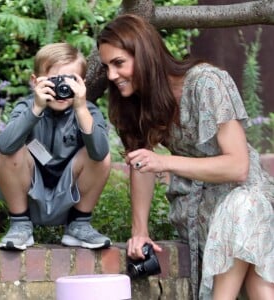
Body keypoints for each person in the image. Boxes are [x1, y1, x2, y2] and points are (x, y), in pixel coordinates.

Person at [97, 14, 274, 300]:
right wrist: (139, 231)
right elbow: (141, 163)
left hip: (247, 197)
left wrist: (166, 162)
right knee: (258, 266)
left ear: (145, 56)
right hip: (198, 210)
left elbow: (239, 167)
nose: (111, 76)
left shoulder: (207, 83)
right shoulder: (135, 104)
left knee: (247, 208)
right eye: (107, 67)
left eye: (118, 63)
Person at [0, 42, 111, 251]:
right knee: (12, 150)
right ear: (35, 81)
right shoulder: (27, 106)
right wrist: (37, 108)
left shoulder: (88, 111)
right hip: (27, 196)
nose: (61, 88)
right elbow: (4, 146)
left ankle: (79, 224)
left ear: (82, 84)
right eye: (54, 80)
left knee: (100, 156)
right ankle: (20, 225)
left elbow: (100, 153)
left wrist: (82, 108)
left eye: (70, 81)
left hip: (68, 197)